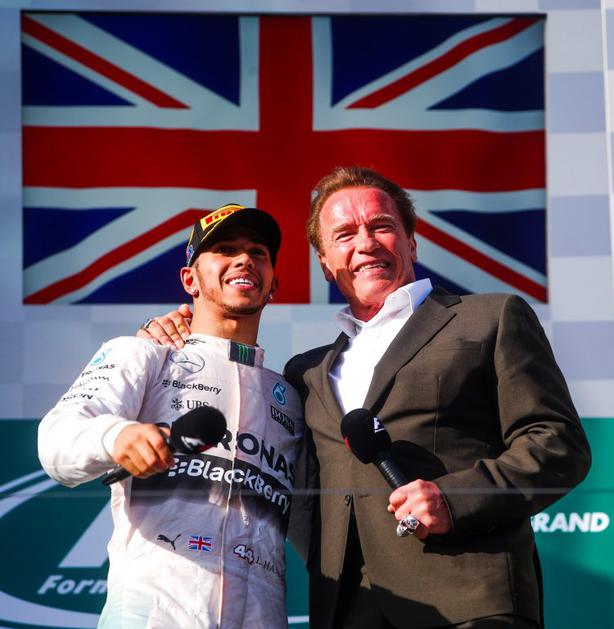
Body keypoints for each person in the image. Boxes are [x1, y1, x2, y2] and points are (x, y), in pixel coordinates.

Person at [140, 168, 591, 628]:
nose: (367, 243)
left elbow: (559, 443)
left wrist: (455, 500)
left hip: (470, 603)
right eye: (344, 235)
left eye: (381, 226)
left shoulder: (490, 318)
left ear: (411, 243)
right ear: (325, 262)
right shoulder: (305, 373)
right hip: (346, 611)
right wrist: (163, 335)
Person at [38, 204, 303, 629]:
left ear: (273, 284)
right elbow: (57, 440)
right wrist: (117, 437)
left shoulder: (290, 397)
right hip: (152, 614)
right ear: (189, 280)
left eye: (258, 252)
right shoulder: (144, 354)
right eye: (225, 249)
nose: (244, 259)